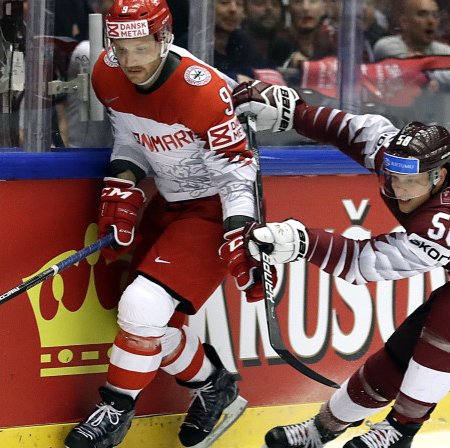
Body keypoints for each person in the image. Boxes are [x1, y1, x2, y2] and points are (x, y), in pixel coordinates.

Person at [230, 79, 450, 448]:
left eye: (409, 182)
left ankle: (402, 429)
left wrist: (303, 242)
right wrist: (294, 114)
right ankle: (321, 429)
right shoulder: (412, 162)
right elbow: (355, 131)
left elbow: (365, 263)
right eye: (392, 177)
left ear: (439, 176)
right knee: (406, 347)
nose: (398, 189)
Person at [63, 1, 261, 447]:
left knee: (141, 307)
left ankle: (115, 411)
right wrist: (122, 182)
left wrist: (239, 229)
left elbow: (237, 171)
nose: (129, 61)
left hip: (215, 210)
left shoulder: (203, 90)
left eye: (140, 48)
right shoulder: (106, 73)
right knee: (147, 321)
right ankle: (214, 386)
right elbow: (131, 139)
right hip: (169, 203)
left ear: (164, 38)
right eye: (120, 48)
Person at [373, 0, 450, 60]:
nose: (431, 21)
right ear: (404, 22)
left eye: (435, 15)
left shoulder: (448, 52)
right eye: (422, 15)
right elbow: (410, 70)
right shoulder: (387, 46)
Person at [213, 0, 264, 80]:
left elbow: (262, 68)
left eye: (239, 4)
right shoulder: (194, 43)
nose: (233, 9)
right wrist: (234, 79)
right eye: (224, 2)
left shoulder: (240, 41)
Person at [242, 0, 295, 69]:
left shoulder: (288, 49)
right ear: (243, 8)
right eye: (259, 3)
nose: (269, 8)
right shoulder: (233, 45)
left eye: (275, 4)